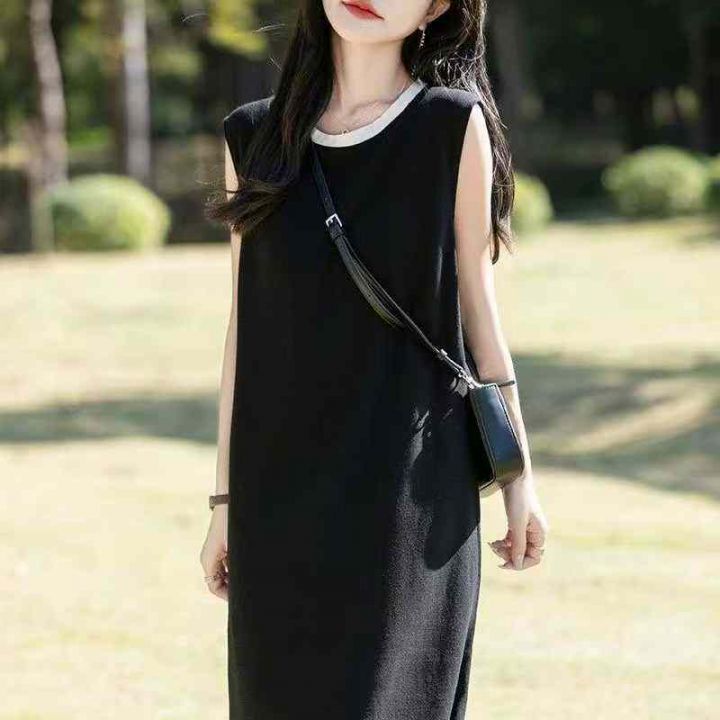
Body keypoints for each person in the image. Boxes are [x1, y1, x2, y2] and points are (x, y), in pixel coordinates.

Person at [201, 1, 549, 718]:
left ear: (437, 8)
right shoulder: (252, 138)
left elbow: (478, 312)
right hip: (278, 501)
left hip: (410, 495)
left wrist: (519, 480)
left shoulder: (450, 126)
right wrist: (224, 504)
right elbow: (246, 329)